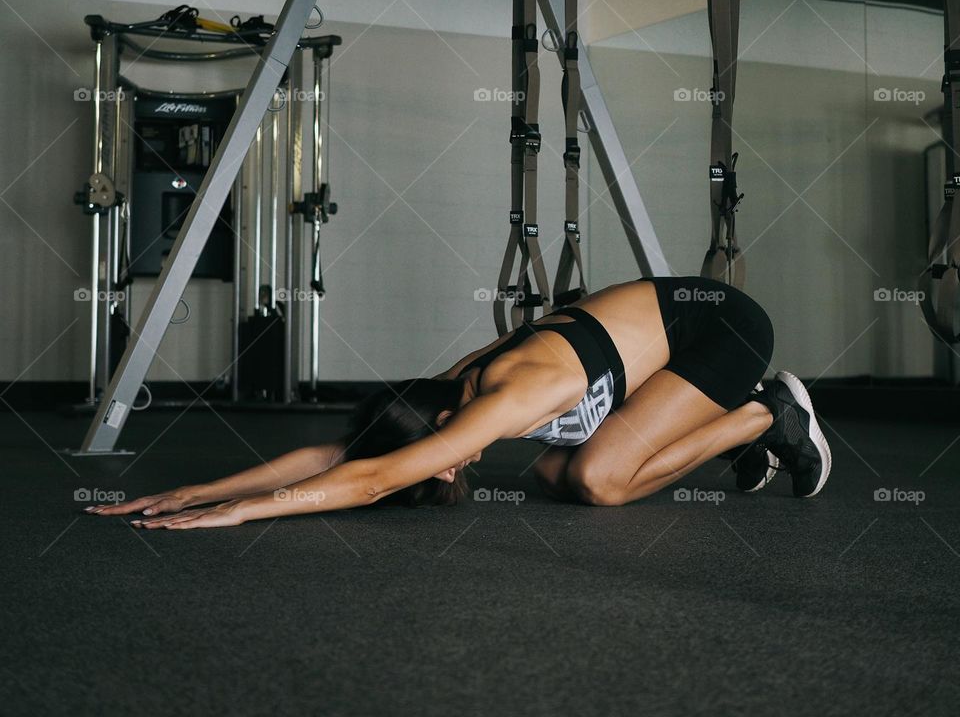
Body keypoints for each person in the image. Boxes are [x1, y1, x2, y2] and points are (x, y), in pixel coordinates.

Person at [86, 277, 831, 530]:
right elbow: (353, 459)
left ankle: (765, 412)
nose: (447, 476)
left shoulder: (501, 398)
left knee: (599, 481)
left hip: (722, 329)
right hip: (658, 353)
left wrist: (245, 513)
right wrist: (203, 489)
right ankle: (737, 431)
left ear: (448, 429)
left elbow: (374, 480)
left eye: (436, 465)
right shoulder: (451, 389)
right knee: (549, 478)